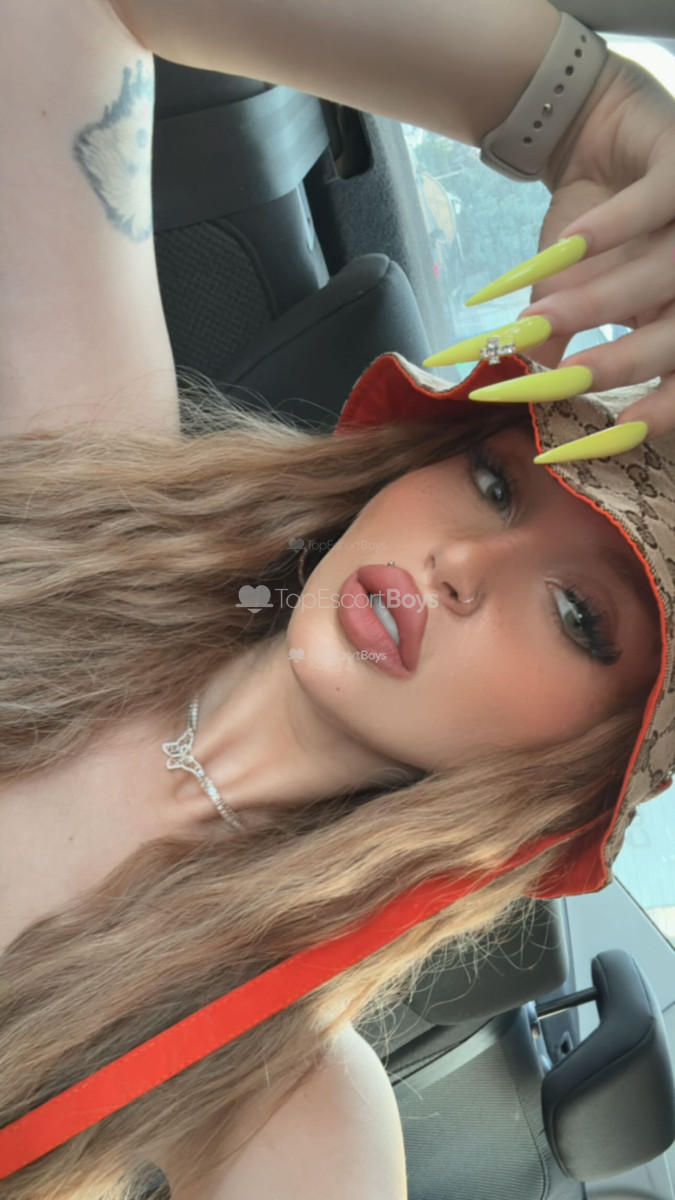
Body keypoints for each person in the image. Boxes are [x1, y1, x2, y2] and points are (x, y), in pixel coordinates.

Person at [0, 2, 674, 1199]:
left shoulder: (290, 1116)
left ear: (586, 767)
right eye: (492, 483)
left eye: (577, 614)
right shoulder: (86, 470)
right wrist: (578, 109)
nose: (460, 562)